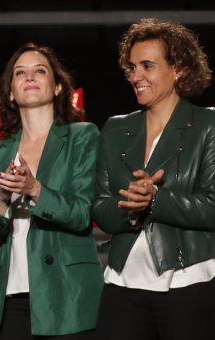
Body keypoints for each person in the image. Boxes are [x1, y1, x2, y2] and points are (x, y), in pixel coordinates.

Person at [92, 18, 215, 340]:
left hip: (190, 282)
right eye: (131, 67)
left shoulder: (208, 125)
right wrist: (131, 206)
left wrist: (156, 201)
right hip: (122, 282)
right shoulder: (115, 129)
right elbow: (100, 208)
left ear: (179, 69)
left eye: (148, 65)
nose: (136, 76)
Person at [0, 43, 102, 340]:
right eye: (20, 73)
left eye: (40, 71)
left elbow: (82, 214)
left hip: (68, 293)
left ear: (58, 87)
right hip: (10, 296)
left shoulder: (82, 136)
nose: (29, 77)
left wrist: (35, 189)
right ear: (10, 92)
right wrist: (0, 202)